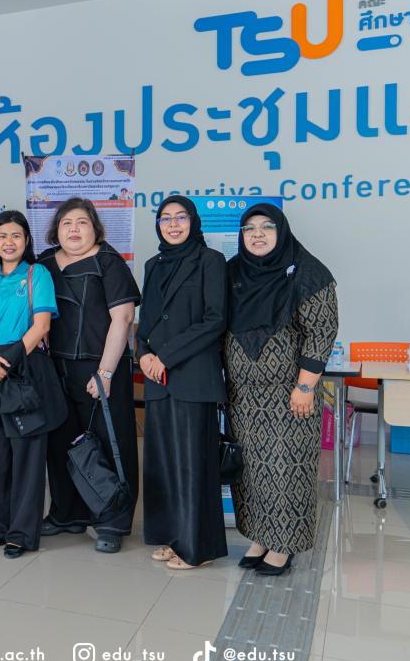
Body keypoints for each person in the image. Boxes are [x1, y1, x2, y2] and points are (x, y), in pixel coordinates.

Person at [225, 204, 337, 576]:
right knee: (251, 471)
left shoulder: (309, 272)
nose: (257, 234)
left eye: (267, 227)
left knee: (286, 468)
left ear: (282, 230)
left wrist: (305, 386)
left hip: (290, 394)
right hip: (243, 397)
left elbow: (321, 331)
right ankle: (260, 536)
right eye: (249, 228)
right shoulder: (233, 272)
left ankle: (283, 544)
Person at [38, 198, 140, 553]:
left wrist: (105, 372)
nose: (74, 229)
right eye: (66, 223)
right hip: (56, 368)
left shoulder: (109, 262)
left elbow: (123, 319)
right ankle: (67, 513)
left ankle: (112, 521)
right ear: (56, 230)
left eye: (82, 222)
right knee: (61, 443)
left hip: (101, 368)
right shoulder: (44, 263)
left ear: (95, 228)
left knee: (110, 443)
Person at [136, 196, 229, 569]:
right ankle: (172, 538)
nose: (173, 225)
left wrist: (165, 356)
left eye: (180, 217)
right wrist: (143, 354)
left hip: (192, 376)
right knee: (164, 465)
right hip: (157, 378)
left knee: (193, 465)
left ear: (193, 222)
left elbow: (214, 319)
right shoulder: (153, 264)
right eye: (165, 218)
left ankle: (196, 548)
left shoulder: (210, 261)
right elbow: (147, 320)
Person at [0, 210, 61, 559]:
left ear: (26, 240)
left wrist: (6, 361)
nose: (8, 242)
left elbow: (42, 326)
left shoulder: (37, 273)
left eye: (16, 236)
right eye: (2, 236)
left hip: (24, 365)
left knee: (27, 456)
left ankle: (22, 533)